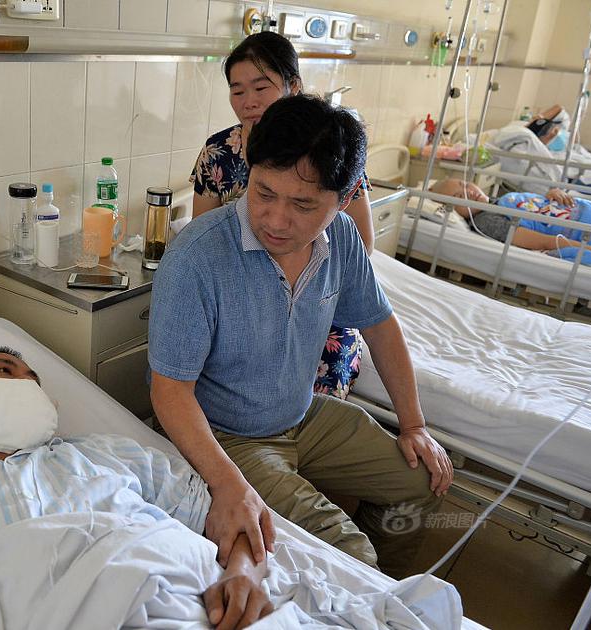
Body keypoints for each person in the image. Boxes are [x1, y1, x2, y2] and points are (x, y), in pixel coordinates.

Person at [149, 94, 453, 580]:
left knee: (421, 483)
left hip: (302, 415)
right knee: (353, 555)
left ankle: (379, 592)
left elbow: (379, 325)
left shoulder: (343, 239)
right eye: (264, 193)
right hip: (228, 436)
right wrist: (227, 483)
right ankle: (364, 581)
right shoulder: (197, 258)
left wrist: (414, 425)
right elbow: (169, 391)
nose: (275, 220)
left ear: (345, 198)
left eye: (303, 205)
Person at [0, 347, 272, 630]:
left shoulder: (107, 453)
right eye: (6, 370)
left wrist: (242, 575)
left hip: (189, 601)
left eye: (34, 380)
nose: (26, 382)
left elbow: (229, 513)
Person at [190, 31, 374, 400]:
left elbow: (362, 244)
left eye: (261, 87)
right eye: (237, 91)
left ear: (294, 85)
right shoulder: (219, 153)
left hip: (312, 301)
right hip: (240, 300)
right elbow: (200, 239)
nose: (249, 101)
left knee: (314, 390)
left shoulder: (330, 150)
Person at [430, 178, 591, 264]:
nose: (469, 192)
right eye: (459, 196)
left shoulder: (499, 201)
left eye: (465, 184)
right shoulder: (486, 221)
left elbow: (533, 208)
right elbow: (544, 241)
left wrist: (550, 195)